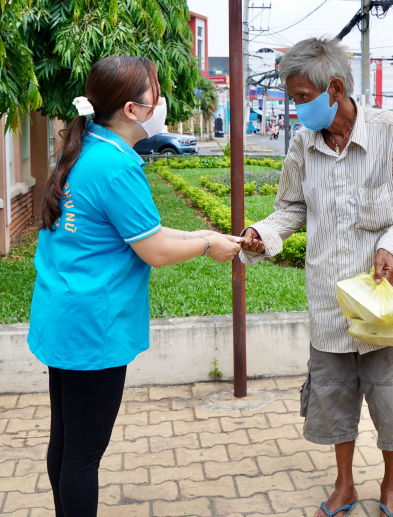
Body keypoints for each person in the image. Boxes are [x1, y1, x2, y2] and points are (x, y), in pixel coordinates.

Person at [28, 56, 241, 517]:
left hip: (64, 316)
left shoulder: (87, 149)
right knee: (83, 455)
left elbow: (147, 234)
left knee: (66, 441)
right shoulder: (116, 165)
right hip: (93, 327)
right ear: (132, 109)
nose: (161, 102)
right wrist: (207, 246)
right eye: (155, 94)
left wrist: (206, 237)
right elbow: (156, 251)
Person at [239, 38, 393, 517]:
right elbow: (291, 207)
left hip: (382, 302)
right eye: (294, 99)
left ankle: (391, 484)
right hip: (328, 303)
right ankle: (344, 485)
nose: (296, 108)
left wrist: (390, 247)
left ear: (336, 88)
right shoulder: (304, 144)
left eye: (302, 97)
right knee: (332, 398)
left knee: (391, 397)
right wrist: (261, 233)